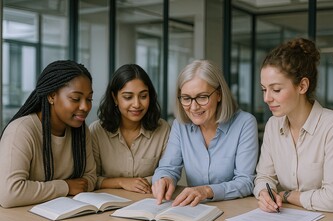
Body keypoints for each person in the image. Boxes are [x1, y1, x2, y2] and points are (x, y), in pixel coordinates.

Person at [254, 37, 333, 213]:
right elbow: (264, 177)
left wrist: (286, 195)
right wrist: (265, 193)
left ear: (302, 86)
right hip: (291, 214)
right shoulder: (273, 124)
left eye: (276, 89)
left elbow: (332, 200)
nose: (267, 98)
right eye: (264, 89)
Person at [152, 59, 259, 207]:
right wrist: (164, 179)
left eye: (202, 97)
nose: (194, 107)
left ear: (219, 95)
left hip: (233, 210)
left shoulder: (245, 123)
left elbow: (246, 182)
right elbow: (168, 168)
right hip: (193, 210)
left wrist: (207, 191)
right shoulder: (180, 125)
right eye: (187, 98)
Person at [0, 60, 97, 208]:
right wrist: (66, 187)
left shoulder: (81, 131)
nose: (85, 107)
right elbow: (9, 194)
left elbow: (90, 178)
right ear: (51, 96)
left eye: (89, 99)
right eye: (76, 99)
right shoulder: (21, 131)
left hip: (66, 214)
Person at [89, 64, 170, 194]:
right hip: (109, 206)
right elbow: (91, 179)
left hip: (149, 203)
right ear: (115, 98)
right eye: (128, 97)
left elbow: (167, 173)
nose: (137, 104)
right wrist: (122, 182)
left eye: (143, 96)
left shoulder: (163, 129)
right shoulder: (97, 131)